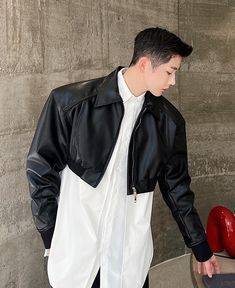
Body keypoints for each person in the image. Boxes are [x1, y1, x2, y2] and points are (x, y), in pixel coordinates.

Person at [26, 27, 220, 288]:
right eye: (170, 72)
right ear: (144, 64)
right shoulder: (71, 103)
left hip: (128, 254)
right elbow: (40, 169)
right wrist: (51, 236)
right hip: (78, 251)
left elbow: (177, 189)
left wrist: (201, 248)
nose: (172, 82)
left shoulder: (169, 123)